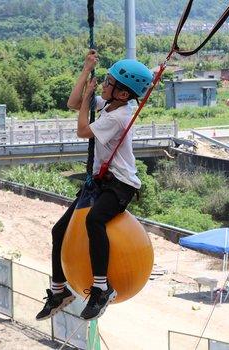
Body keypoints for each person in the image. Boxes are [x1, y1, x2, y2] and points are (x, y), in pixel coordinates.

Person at [35, 50, 153, 321]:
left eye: (109, 83)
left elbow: (82, 131)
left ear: (123, 94)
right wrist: (86, 68)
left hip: (121, 185)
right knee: (59, 230)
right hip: (101, 183)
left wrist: (90, 98)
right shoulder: (110, 105)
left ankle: (101, 288)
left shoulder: (118, 116)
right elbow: (73, 103)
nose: (104, 85)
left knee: (95, 220)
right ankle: (59, 290)